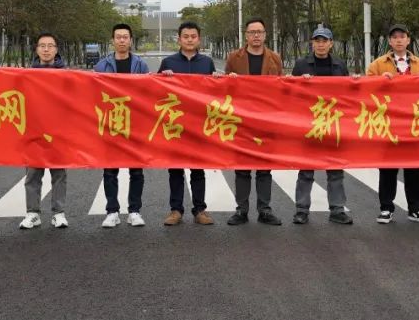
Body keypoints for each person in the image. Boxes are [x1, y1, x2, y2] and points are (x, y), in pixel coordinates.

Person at [366, 24, 419, 224]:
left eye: (402, 36)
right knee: (388, 168)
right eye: (394, 37)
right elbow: (365, 88)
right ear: (389, 41)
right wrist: (379, 80)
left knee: (414, 168)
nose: (398, 40)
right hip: (390, 123)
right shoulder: (378, 64)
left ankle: (415, 208)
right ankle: (386, 208)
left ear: (408, 40)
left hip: (414, 124)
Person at [224, 18, 283, 226]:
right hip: (242, 120)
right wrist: (229, 80)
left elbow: (282, 89)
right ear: (246, 35)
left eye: (259, 32)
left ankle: (264, 209)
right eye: (252, 32)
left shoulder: (275, 59)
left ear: (265, 35)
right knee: (242, 168)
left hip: (266, 120)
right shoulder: (234, 58)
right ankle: (242, 209)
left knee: (265, 168)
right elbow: (223, 90)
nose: (256, 36)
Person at [291, 26, 352, 226]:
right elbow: (290, 93)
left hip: (334, 126)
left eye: (324, 41)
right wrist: (301, 83)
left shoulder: (340, 66)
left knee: (335, 171)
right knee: (306, 171)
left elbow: (349, 95)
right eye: (317, 40)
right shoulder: (301, 65)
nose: (320, 44)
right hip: (309, 126)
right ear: (312, 43)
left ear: (331, 44)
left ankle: (337, 210)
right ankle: (301, 210)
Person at [158, 21, 217, 226]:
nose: (190, 39)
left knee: (198, 169)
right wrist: (162, 78)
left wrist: (219, 80)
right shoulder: (168, 62)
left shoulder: (207, 63)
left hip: (199, 123)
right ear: (179, 39)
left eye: (193, 36)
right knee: (175, 169)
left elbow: (215, 92)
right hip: (175, 124)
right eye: (186, 36)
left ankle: (200, 209)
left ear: (199, 39)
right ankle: (176, 210)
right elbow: (155, 90)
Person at [93, 23, 150, 228]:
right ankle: (112, 211)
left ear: (131, 40)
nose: (122, 40)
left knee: (136, 171)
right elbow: (93, 93)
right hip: (111, 123)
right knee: (110, 171)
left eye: (125, 37)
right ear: (113, 40)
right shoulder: (102, 66)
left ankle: (134, 210)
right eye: (118, 37)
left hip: (134, 125)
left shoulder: (141, 65)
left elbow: (148, 92)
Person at [19, 33, 70, 230]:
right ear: (37, 49)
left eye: (50, 46)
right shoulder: (26, 75)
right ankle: (33, 213)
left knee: (59, 174)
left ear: (56, 49)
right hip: (34, 131)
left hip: (58, 132)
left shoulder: (66, 75)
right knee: (33, 174)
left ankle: (59, 213)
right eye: (42, 46)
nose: (46, 49)